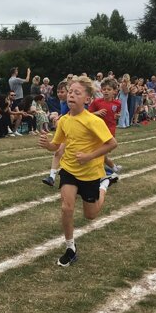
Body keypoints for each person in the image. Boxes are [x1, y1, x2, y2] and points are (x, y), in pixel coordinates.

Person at [38, 75, 117, 266]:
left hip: (90, 173)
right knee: (66, 207)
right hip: (69, 170)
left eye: (77, 93)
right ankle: (70, 248)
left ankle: (104, 185)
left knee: (90, 215)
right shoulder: (64, 120)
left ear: (87, 99)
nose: (71, 95)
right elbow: (56, 145)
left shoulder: (93, 121)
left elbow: (112, 143)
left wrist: (90, 156)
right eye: (70, 92)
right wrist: (47, 145)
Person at [88, 77, 122, 177]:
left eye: (109, 89)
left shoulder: (117, 103)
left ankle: (110, 169)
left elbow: (116, 113)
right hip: (98, 131)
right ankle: (113, 168)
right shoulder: (96, 102)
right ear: (101, 90)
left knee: (101, 154)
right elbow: (87, 115)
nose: (106, 91)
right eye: (104, 89)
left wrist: (117, 116)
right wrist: (97, 113)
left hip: (110, 131)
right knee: (100, 153)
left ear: (114, 91)